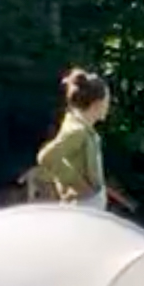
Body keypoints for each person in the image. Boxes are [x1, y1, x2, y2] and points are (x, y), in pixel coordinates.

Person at [36, 68, 112, 209]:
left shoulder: (83, 128)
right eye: (107, 101)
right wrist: (79, 186)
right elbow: (46, 157)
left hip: (89, 204)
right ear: (97, 103)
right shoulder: (77, 131)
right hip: (83, 205)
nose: (108, 106)